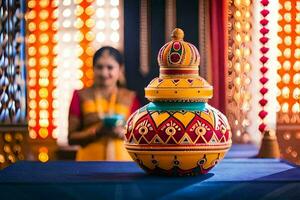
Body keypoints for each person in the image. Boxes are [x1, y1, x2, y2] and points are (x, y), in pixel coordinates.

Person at [68, 46, 140, 161]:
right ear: (93, 68)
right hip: (88, 166)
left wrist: (124, 133)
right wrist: (96, 131)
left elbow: (141, 136)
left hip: (124, 167)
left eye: (110, 67)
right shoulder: (80, 95)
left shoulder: (130, 97)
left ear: (120, 69)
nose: (104, 73)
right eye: (99, 67)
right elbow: (71, 138)